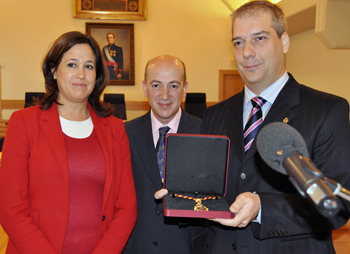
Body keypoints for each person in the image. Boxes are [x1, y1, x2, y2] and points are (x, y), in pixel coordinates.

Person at [201, 1, 350, 253]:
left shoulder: (327, 110)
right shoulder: (213, 115)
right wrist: (180, 192)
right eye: (238, 42)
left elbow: (338, 205)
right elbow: (207, 189)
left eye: (259, 38)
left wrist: (262, 207)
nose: (246, 52)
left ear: (284, 42)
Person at [0, 31, 137, 254]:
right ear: (54, 70)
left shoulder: (115, 129)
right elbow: (11, 209)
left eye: (89, 66)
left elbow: (126, 207)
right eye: (72, 64)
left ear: (97, 75)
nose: (81, 74)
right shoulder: (23, 123)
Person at [123, 55, 208, 254]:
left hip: (188, 247)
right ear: (144, 88)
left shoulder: (205, 132)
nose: (164, 95)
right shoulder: (124, 134)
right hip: (137, 247)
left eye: (173, 86)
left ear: (185, 88)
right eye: (156, 85)